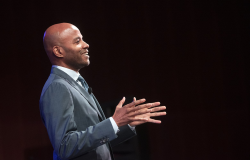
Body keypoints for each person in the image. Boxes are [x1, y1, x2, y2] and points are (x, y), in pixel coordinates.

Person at [39, 23, 166, 160]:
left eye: (83, 39)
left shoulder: (75, 83)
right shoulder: (57, 87)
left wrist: (124, 124)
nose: (86, 45)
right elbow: (65, 146)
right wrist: (113, 122)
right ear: (58, 51)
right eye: (77, 41)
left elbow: (97, 144)